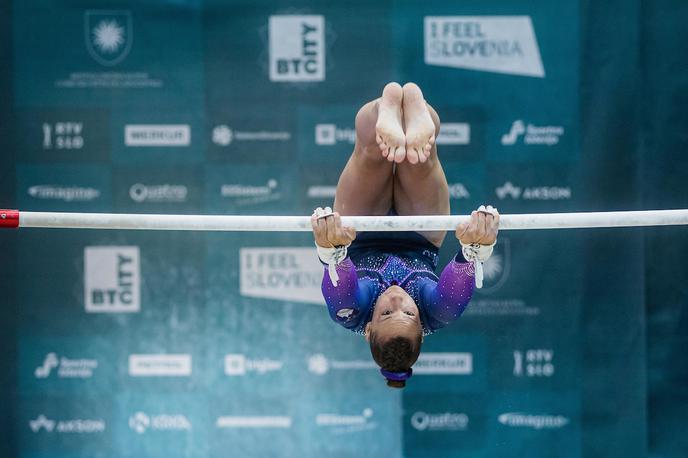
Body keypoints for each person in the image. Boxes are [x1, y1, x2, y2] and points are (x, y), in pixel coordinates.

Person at [310, 82, 499, 388]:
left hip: (362, 233)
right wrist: (477, 246)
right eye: (409, 312)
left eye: (386, 312)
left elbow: (336, 275)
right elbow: (467, 261)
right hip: (420, 236)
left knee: (370, 147)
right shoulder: (439, 313)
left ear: (369, 329)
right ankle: (415, 106)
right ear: (422, 327)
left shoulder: (351, 313)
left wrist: (330, 250)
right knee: (420, 155)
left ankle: (388, 107)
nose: (398, 298)